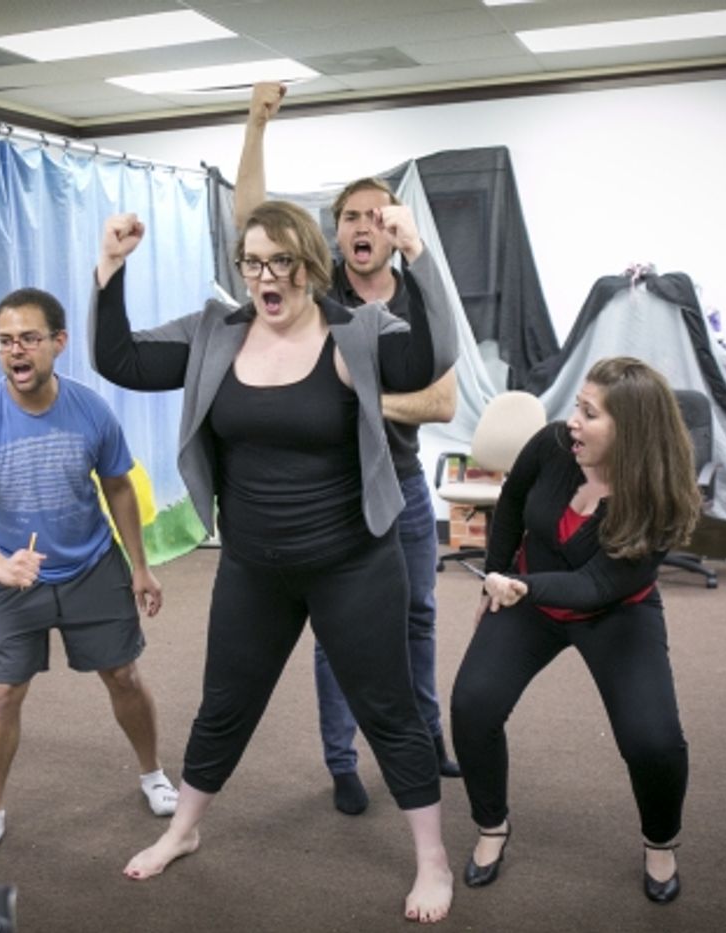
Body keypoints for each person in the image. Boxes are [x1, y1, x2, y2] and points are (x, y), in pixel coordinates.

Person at [90, 201, 459, 923]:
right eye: (253, 262)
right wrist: (110, 266)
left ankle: (432, 858)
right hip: (253, 567)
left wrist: (416, 251)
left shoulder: (356, 332)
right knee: (225, 703)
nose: (266, 277)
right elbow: (121, 360)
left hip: (353, 563)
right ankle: (183, 829)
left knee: (388, 708)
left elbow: (430, 357)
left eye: (282, 261)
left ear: (310, 265)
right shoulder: (215, 333)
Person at [235, 81, 461, 817]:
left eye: (376, 215)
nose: (364, 225)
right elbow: (252, 218)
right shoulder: (318, 294)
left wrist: (353, 397)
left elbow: (443, 401)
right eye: (351, 216)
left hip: (403, 488)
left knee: (418, 616)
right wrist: (256, 125)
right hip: (337, 497)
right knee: (337, 636)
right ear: (335, 233)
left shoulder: (416, 303)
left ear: (395, 229)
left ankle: (427, 735)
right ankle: (342, 762)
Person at [0, 287, 177, 870]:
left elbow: (118, 486)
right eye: (5, 341)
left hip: (92, 564)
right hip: (13, 573)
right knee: (1, 693)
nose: (16, 351)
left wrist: (140, 566)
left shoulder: (91, 410)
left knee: (123, 675)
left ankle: (153, 773)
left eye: (29, 338)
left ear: (58, 343)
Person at [449, 357, 700, 904]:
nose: (573, 422)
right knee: (473, 705)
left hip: (616, 612)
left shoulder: (658, 497)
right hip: (530, 597)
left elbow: (594, 585)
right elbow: (513, 501)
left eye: (590, 413)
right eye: (577, 407)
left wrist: (519, 586)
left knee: (654, 742)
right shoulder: (553, 446)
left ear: (630, 430)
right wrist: (494, 577)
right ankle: (491, 826)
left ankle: (660, 842)